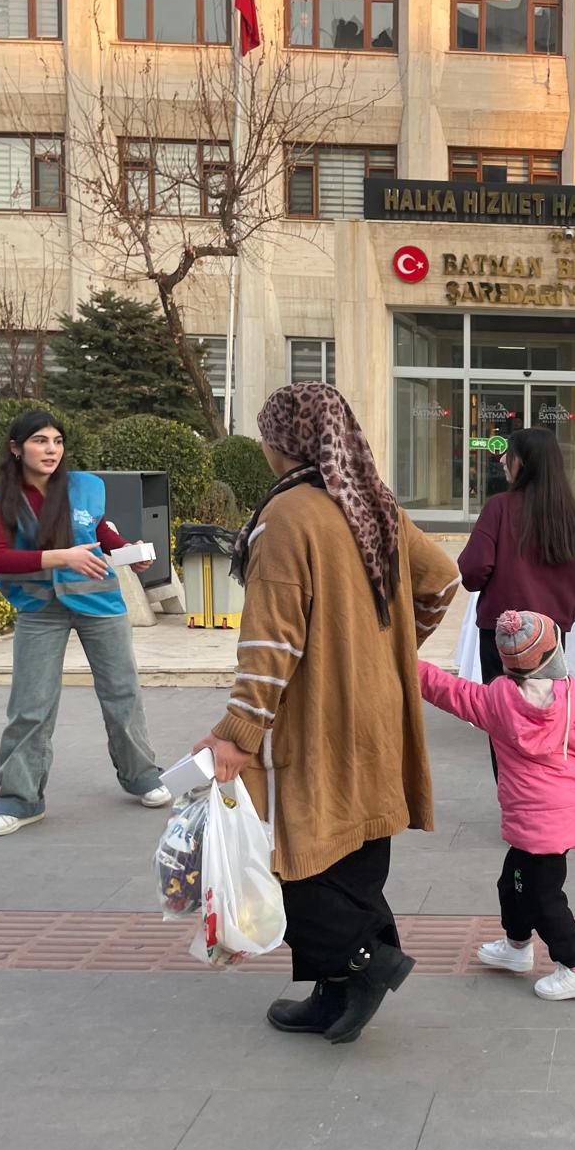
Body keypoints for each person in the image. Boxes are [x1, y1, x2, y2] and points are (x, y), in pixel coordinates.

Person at [191, 383, 461, 1046]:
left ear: (281, 441)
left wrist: (238, 734)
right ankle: (330, 993)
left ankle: (367, 963)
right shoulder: (373, 503)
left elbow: (270, 641)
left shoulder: (288, 516)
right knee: (358, 853)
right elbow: (442, 581)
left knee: (298, 856)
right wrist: (386, 648)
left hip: (318, 721)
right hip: (380, 712)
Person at [418, 609, 575, 1001]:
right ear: (554, 653)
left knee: (542, 897)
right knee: (512, 883)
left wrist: (404, 663)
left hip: (537, 824)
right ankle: (517, 947)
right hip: (556, 818)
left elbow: (446, 689)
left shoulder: (494, 701)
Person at [0, 409, 169, 836]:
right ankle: (19, 800)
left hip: (99, 603)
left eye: (57, 441)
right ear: (16, 448)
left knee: (122, 694)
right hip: (39, 609)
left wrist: (128, 551)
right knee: (31, 706)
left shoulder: (86, 487)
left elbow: (97, 531)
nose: (51, 450)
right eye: (40, 441)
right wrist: (62, 557)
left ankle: (142, 776)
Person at [457, 428, 575, 776]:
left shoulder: (499, 508)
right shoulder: (568, 516)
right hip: (549, 638)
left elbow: (472, 570)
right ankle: (546, 794)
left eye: (510, 454)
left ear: (525, 462)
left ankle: (514, 796)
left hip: (504, 638)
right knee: (548, 719)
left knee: (505, 724)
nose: (503, 460)